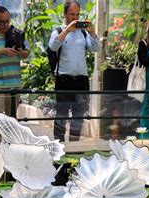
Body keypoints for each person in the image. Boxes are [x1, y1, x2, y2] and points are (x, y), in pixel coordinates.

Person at [48, 1, 100, 142]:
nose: (75, 17)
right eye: (72, 14)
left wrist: (93, 32)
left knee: (79, 116)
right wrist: (67, 30)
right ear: (65, 14)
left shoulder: (83, 33)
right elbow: (52, 46)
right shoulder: (58, 31)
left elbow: (95, 49)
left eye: (77, 14)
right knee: (61, 115)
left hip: (81, 80)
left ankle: (74, 148)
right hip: (64, 80)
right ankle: (58, 148)